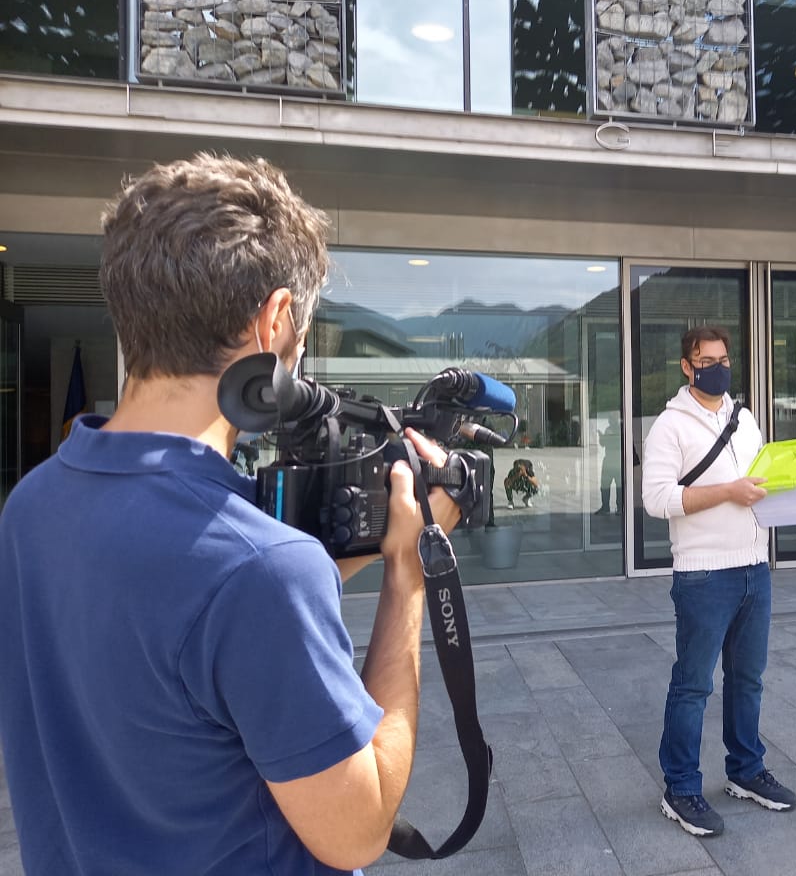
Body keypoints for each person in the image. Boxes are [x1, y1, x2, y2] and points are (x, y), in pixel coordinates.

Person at [0, 154, 461, 876]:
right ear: (273, 321)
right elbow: (358, 830)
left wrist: (337, 557)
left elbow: (178, 631)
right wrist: (408, 571)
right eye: (301, 335)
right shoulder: (260, 572)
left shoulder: (32, 506)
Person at [642, 325, 796, 838]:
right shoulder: (669, 426)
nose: (718, 369)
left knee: (748, 679)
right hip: (703, 573)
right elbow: (657, 499)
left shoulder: (745, 420)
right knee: (693, 685)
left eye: (724, 359)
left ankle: (746, 770)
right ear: (686, 366)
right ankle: (681, 788)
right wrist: (728, 490)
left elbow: (765, 487)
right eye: (707, 361)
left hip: (754, 568)